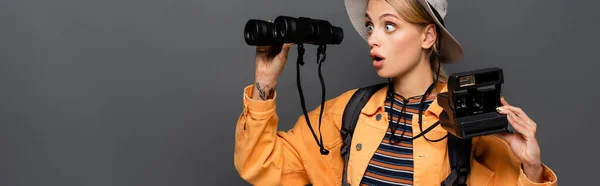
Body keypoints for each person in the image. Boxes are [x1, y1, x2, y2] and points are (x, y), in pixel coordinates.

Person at [233, 0, 558, 185]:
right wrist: (266, 80)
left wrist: (530, 168)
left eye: (389, 26)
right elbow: (261, 166)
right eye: (371, 26)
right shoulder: (347, 112)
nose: (373, 38)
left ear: (428, 36)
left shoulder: (467, 120)